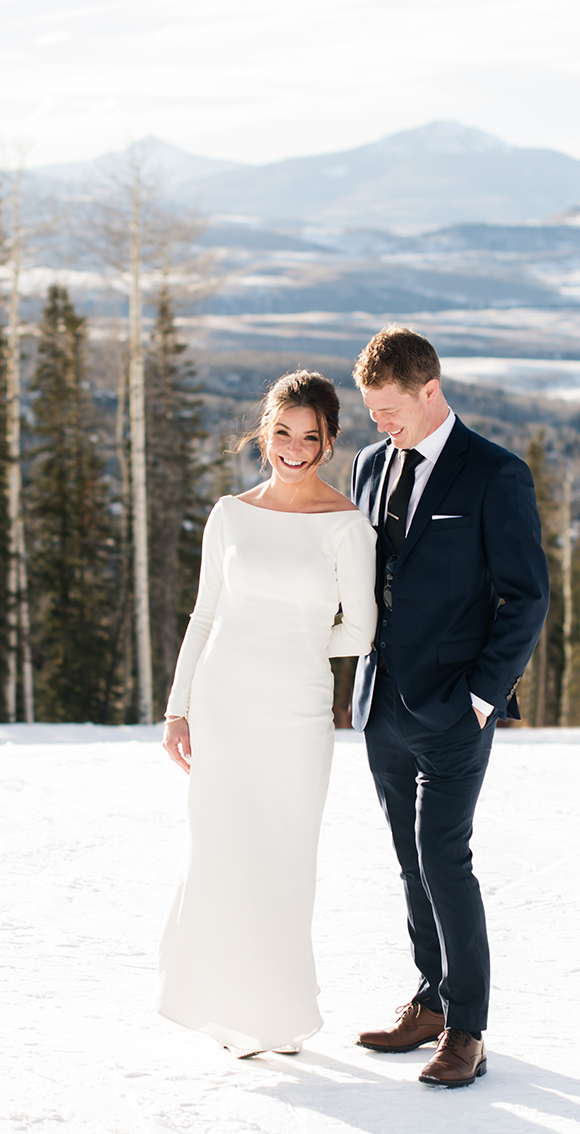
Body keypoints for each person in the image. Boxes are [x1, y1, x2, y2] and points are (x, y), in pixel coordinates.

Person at [348, 326, 549, 1088]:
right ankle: (429, 1001)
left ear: (430, 390)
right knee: (409, 860)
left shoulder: (495, 474)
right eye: (372, 412)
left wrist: (481, 698)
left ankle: (467, 1028)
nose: (379, 424)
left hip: (456, 709)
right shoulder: (370, 464)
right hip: (381, 705)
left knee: (444, 858)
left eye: (389, 409)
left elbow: (526, 596)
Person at [156, 370, 377, 1057]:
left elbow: (362, 633)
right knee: (223, 852)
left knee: (284, 857)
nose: (292, 447)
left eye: (309, 436)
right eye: (282, 431)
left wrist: (299, 644)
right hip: (224, 704)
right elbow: (205, 615)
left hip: (298, 713)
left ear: (329, 442)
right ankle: (226, 1012)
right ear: (265, 432)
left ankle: (278, 1016)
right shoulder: (229, 515)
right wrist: (178, 709)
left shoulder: (345, 524)